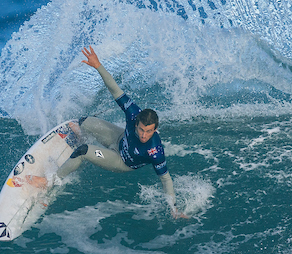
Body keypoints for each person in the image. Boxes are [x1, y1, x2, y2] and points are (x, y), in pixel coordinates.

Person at [44, 45, 189, 219]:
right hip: (119, 138)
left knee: (83, 151)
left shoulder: (155, 150)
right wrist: (98, 65)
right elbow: (114, 88)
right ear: (137, 123)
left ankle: (48, 182)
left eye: (149, 132)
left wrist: (173, 208)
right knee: (83, 121)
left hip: (121, 161)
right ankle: (80, 136)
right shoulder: (133, 112)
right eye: (142, 130)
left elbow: (166, 179)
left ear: (155, 129)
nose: (144, 135)